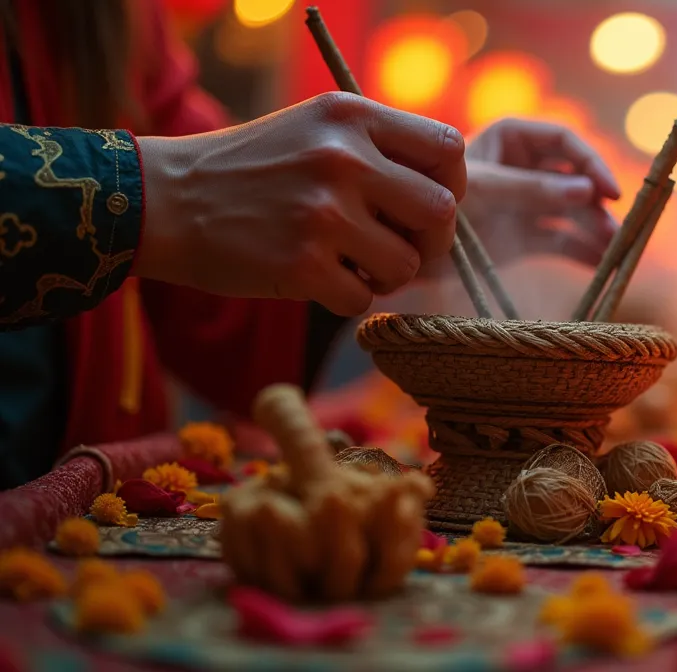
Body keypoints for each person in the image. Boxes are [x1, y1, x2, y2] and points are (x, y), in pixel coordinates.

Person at [0, 0, 620, 488]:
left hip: (77, 522)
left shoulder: (112, 13)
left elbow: (213, 281)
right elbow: (185, 198)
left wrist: (405, 203)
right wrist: (155, 194)